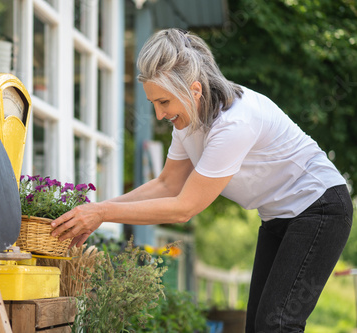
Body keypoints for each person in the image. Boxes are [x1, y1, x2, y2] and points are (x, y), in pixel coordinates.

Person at [50, 28, 353, 332]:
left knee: (277, 324)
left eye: (164, 102)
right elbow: (167, 184)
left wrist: (102, 214)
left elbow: (185, 208)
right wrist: (97, 210)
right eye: (153, 103)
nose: (158, 114)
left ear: (194, 90)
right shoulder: (189, 122)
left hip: (321, 207)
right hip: (279, 216)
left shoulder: (235, 122)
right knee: (259, 326)